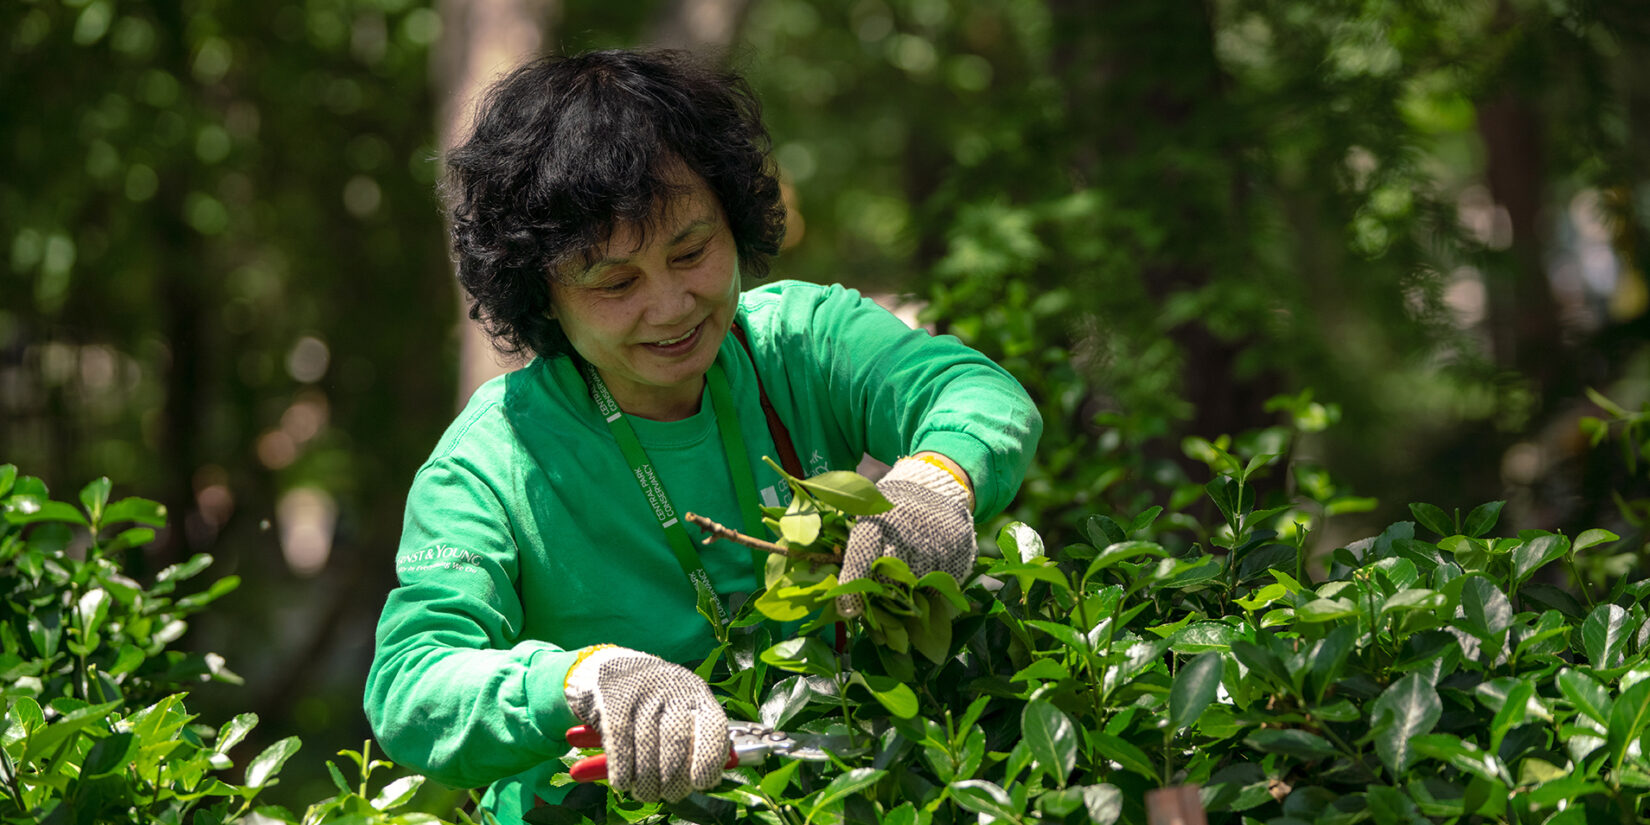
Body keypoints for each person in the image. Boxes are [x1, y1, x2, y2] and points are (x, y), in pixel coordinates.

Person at [363, 48, 1042, 822]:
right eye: (616, 282)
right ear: (543, 294)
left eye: (691, 252)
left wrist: (934, 482)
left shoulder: (800, 342)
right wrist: (584, 679)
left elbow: (978, 393)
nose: (672, 306)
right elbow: (413, 684)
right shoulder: (493, 461)